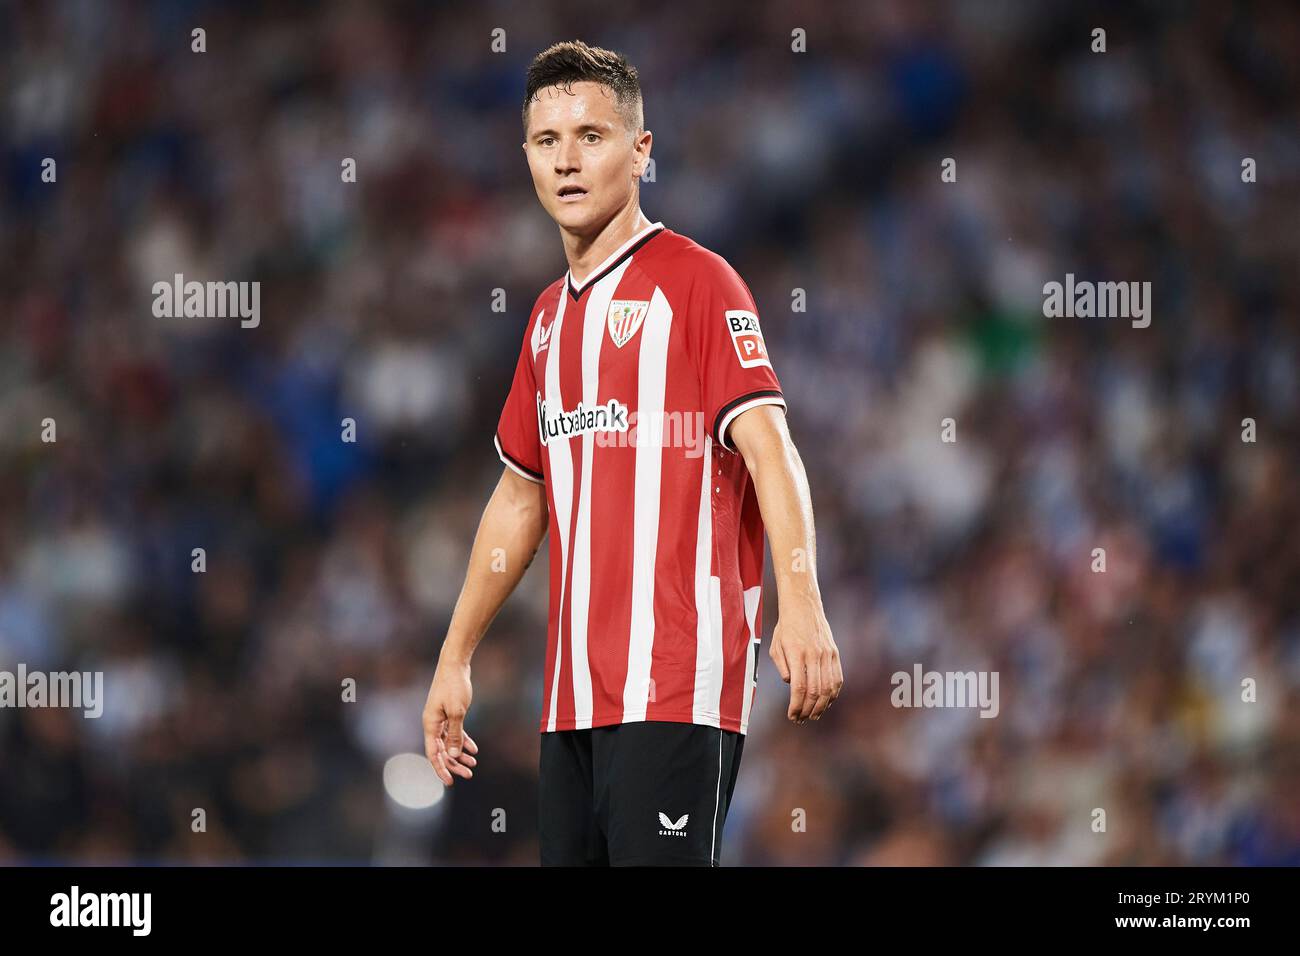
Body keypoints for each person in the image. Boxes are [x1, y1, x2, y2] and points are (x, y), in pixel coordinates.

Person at [423, 39, 841, 866]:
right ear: (527, 159)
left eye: (592, 135)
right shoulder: (546, 320)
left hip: (678, 689)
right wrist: (455, 657)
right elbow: (519, 498)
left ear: (641, 150)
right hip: (571, 701)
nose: (568, 161)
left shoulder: (698, 282)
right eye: (548, 142)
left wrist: (803, 602)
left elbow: (769, 447)